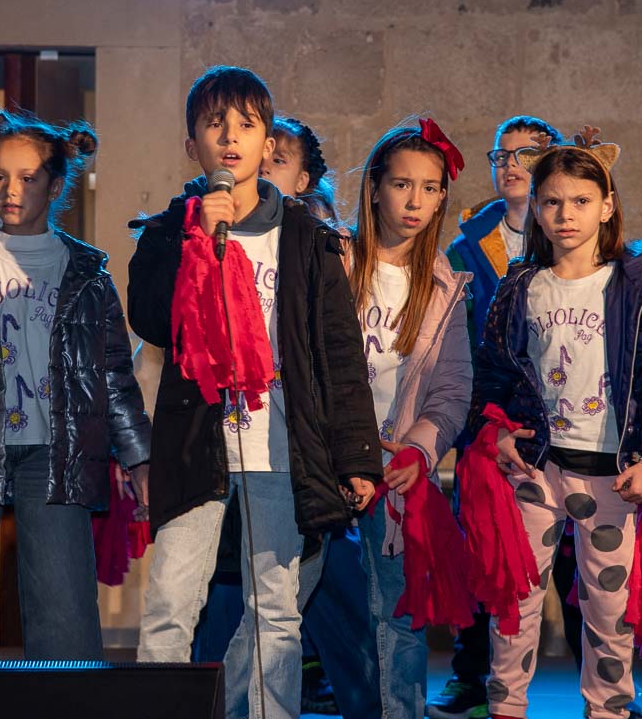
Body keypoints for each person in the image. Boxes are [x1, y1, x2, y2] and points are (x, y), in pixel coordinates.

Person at [130, 65, 381, 719]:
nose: (229, 138)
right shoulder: (167, 231)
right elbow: (151, 319)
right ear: (192, 143)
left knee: (276, 608)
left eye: (245, 124)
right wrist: (193, 240)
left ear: (268, 144)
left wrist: (356, 456)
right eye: (214, 124)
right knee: (170, 603)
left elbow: (338, 354)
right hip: (197, 446)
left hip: (280, 447)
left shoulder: (304, 237)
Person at [0, 109, 149, 661]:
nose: (9, 190)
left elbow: (113, 375)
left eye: (27, 178)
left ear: (56, 187)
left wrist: (139, 458)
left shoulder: (87, 273)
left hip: (57, 452)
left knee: (64, 611)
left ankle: (66, 699)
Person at [469, 131, 642, 719]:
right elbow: (492, 374)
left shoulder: (638, 285)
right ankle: (506, 706)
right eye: (552, 202)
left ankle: (608, 710)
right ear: (537, 209)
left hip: (611, 476)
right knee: (516, 601)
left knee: (608, 611)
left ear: (607, 206)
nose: (566, 214)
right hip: (537, 467)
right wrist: (497, 432)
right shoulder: (522, 285)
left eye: (581, 201)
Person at [433, 116, 567, 719]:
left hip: (561, 420)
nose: (511, 164)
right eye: (501, 154)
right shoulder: (468, 245)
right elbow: (458, 339)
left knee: (572, 564)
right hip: (488, 420)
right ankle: (473, 677)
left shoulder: (570, 234)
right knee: (481, 548)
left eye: (526, 154)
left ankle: (600, 688)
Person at [347, 118, 473, 718]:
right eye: (402, 184)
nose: (415, 201)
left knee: (399, 610)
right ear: (375, 188)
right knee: (285, 603)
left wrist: (419, 450)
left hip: (395, 468)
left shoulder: (444, 283)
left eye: (429, 187)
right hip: (327, 459)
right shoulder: (334, 260)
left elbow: (452, 389)